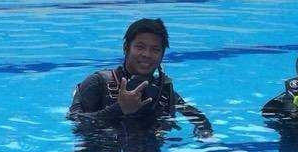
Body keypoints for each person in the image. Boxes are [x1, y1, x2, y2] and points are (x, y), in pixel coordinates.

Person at [68, 18, 213, 139]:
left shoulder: (163, 91)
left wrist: (205, 133)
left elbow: (197, 116)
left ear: (162, 55)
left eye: (155, 50)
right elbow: (75, 120)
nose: (147, 55)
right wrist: (120, 108)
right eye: (140, 47)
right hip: (100, 150)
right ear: (126, 48)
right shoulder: (99, 82)